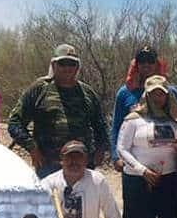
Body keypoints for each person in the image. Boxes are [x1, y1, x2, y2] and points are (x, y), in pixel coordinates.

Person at [110, 46, 177, 218]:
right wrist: (116, 157)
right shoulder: (126, 93)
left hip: (168, 174)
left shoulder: (170, 90)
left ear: (157, 63)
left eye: (150, 61)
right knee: (134, 216)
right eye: (142, 61)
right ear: (136, 65)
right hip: (134, 169)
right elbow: (118, 129)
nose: (146, 65)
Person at [8, 44, 109, 178]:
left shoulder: (87, 93)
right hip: (49, 166)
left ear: (77, 67)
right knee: (51, 199)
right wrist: (32, 148)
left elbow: (100, 125)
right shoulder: (40, 89)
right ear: (54, 65)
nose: (67, 68)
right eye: (62, 63)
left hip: (82, 166)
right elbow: (15, 122)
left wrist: (100, 149)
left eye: (72, 64)